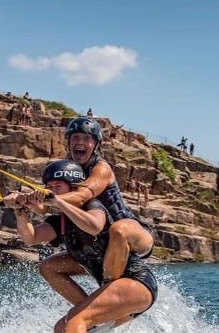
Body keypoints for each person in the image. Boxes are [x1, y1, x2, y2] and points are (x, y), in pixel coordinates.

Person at [3, 160, 158, 333]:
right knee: (63, 324)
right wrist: (20, 211)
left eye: (58, 186)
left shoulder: (93, 206)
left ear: (73, 187)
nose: (52, 190)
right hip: (112, 290)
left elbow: (95, 227)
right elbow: (31, 237)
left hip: (137, 283)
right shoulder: (60, 221)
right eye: (49, 186)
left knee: (77, 320)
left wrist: (57, 202)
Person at [42, 117, 154, 285]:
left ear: (95, 145)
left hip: (131, 233)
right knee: (48, 266)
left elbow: (81, 196)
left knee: (119, 229)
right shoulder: (68, 171)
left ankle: (107, 291)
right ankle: (85, 306)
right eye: (75, 138)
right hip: (103, 244)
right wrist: (24, 202)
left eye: (87, 139)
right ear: (69, 142)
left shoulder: (101, 168)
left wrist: (46, 198)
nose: (80, 142)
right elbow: (45, 208)